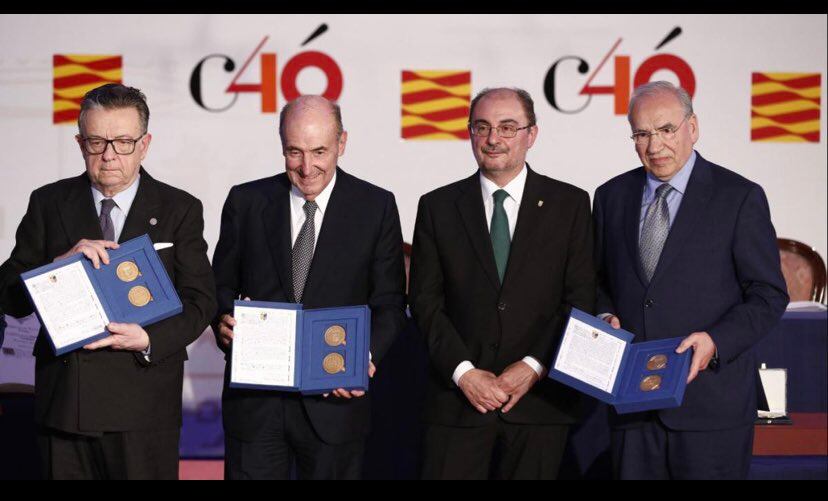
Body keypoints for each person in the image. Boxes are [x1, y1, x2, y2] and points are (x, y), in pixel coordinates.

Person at [0, 83, 217, 480]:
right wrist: (56, 268)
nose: (109, 155)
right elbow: (8, 293)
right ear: (80, 143)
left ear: (144, 145)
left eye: (123, 142)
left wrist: (148, 339)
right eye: (97, 142)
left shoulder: (179, 208)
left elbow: (200, 301)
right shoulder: (48, 203)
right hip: (66, 406)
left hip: (145, 407)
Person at [593, 81, 789, 480]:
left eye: (666, 129)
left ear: (693, 127)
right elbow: (597, 280)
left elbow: (768, 294)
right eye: (642, 134)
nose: (655, 145)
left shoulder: (739, 197)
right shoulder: (611, 196)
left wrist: (716, 341)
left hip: (711, 407)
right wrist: (604, 314)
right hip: (632, 409)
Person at [212, 95, 407, 480]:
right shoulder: (246, 201)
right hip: (256, 406)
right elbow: (220, 285)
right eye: (294, 152)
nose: (306, 167)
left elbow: (389, 303)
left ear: (342, 143)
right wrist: (223, 319)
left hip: (335, 405)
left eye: (319, 152)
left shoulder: (375, 206)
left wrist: (362, 358)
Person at [408, 87, 596, 480]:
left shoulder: (570, 205)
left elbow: (580, 299)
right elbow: (425, 303)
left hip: (540, 404)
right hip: (457, 404)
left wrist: (533, 366)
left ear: (532, 134)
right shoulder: (437, 207)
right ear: (470, 133)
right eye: (482, 127)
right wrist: (464, 372)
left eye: (508, 127)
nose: (493, 138)